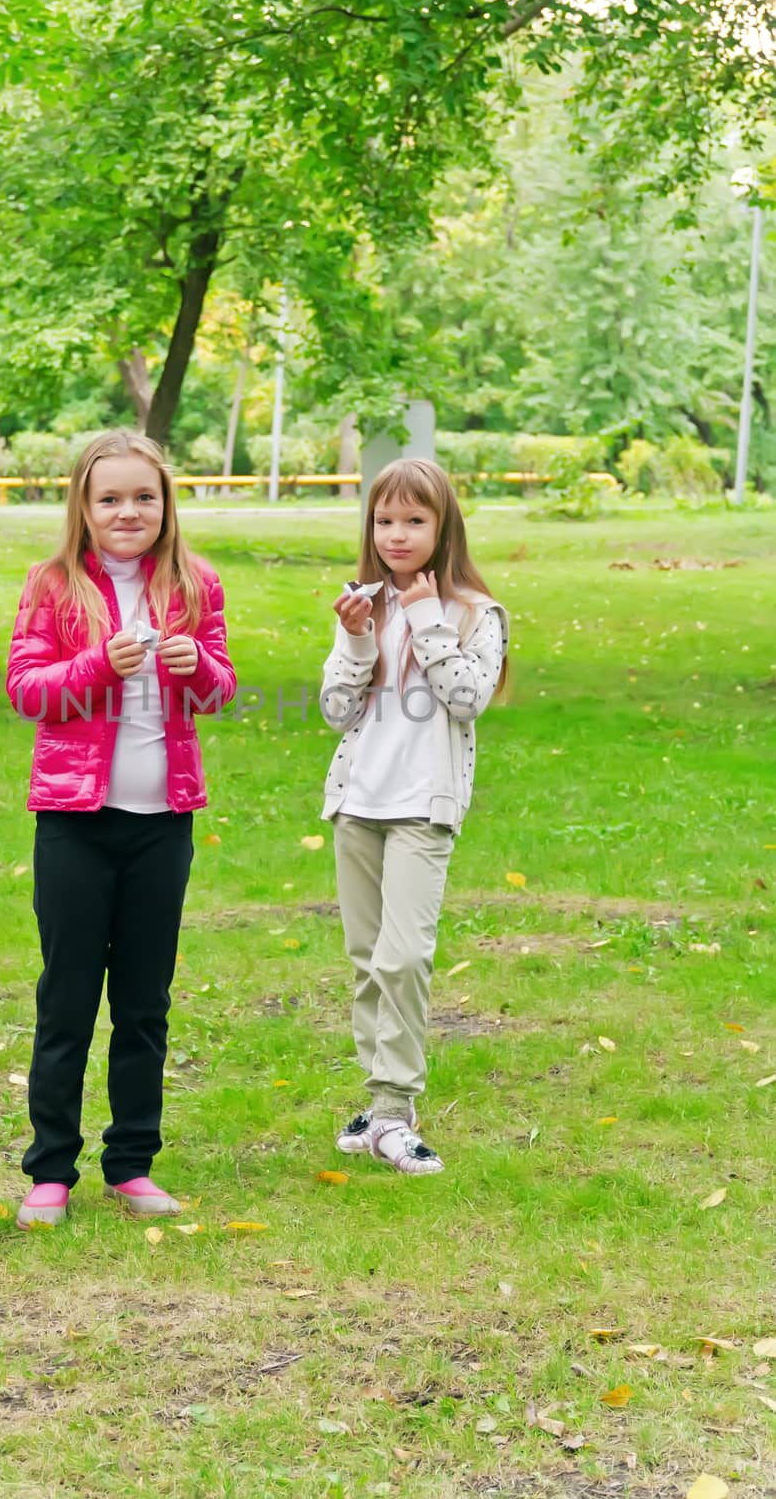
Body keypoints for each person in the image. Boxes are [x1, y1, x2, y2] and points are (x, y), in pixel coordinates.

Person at [6, 430, 236, 1227]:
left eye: (144, 497)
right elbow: (29, 692)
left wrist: (194, 669)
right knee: (67, 998)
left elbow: (219, 689)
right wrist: (102, 662)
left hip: (160, 825)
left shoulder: (193, 584)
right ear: (83, 506)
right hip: (73, 825)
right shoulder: (53, 585)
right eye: (110, 499)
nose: (128, 512)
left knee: (144, 1001)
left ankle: (131, 1164)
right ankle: (50, 1171)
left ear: (166, 503)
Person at [319, 458, 508, 1176]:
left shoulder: (474, 614)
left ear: (442, 526)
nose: (397, 534)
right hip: (357, 802)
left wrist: (426, 619)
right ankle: (378, 1101)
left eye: (414, 520)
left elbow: (465, 698)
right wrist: (359, 637)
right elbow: (337, 710)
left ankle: (396, 1113)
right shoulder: (360, 603)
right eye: (385, 520)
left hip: (420, 810)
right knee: (367, 962)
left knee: (403, 958)